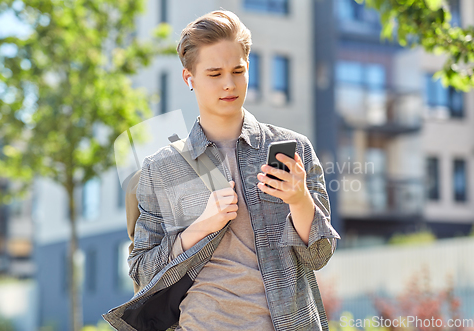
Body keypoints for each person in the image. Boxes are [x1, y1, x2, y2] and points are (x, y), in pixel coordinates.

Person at [103, 10, 340, 331]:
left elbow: (319, 256)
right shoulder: (161, 168)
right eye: (214, 74)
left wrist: (299, 200)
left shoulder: (293, 147)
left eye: (237, 71)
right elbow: (143, 272)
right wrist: (200, 227)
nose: (228, 84)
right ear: (190, 79)